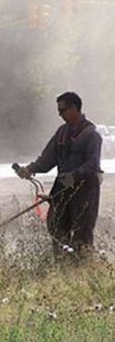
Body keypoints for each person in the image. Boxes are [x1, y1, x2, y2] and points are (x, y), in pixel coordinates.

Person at [16, 91, 102, 259]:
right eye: (58, 111)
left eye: (63, 110)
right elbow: (47, 160)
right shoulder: (62, 133)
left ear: (74, 108)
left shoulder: (92, 134)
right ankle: (61, 265)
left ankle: (83, 267)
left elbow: (93, 165)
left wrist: (74, 176)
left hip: (85, 192)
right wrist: (30, 169)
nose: (60, 115)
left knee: (82, 235)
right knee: (57, 230)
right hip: (62, 190)